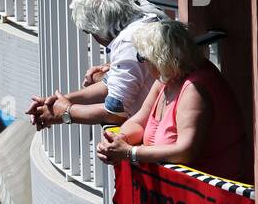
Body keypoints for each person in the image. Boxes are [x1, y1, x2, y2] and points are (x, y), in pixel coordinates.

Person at [96, 17, 248, 181]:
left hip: (208, 196)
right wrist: (119, 140)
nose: (143, 63)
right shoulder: (166, 78)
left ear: (159, 60)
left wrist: (129, 152)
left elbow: (184, 152)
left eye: (143, 58)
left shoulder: (195, 89)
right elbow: (139, 122)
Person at [28, 0, 161, 131]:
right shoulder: (144, 19)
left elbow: (115, 112)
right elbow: (110, 85)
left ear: (99, 28)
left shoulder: (129, 42)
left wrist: (66, 113)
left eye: (90, 32)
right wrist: (56, 102)